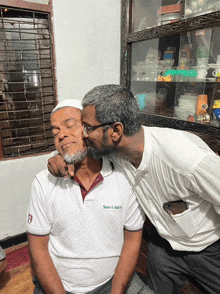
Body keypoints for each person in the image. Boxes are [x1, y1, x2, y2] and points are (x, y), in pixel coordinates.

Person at [48, 84, 220, 294]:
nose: (84, 135)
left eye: (89, 128)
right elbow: (79, 154)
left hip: (209, 249)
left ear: (116, 131)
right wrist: (58, 159)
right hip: (163, 244)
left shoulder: (188, 160)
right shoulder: (114, 150)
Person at [27, 99, 154, 294]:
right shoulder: (44, 183)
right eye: (55, 132)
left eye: (70, 125)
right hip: (60, 285)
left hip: (113, 281)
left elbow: (131, 241)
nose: (61, 134)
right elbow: (39, 249)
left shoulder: (124, 176)